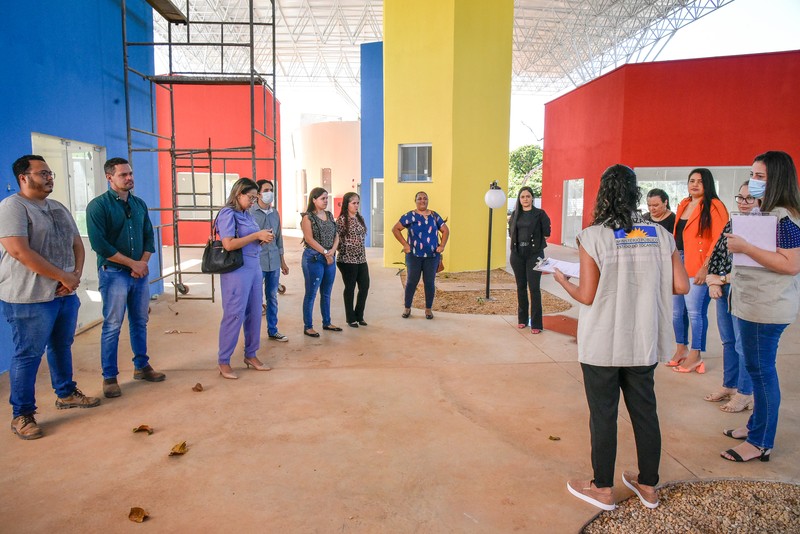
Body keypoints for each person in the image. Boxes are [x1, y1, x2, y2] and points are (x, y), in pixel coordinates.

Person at [554, 164, 689, 511]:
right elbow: (681, 285)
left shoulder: (593, 235)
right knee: (645, 411)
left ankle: (602, 488)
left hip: (602, 343)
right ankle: (648, 484)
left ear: (603, 194)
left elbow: (586, 295)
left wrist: (561, 281)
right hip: (642, 341)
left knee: (603, 414)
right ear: (635, 194)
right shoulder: (660, 235)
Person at [1, 155, 101, 440]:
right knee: (28, 355)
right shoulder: (13, 207)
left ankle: (66, 393)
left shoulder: (57, 207)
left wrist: (75, 275)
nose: (49, 177)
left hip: (64, 293)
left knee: (61, 345)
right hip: (29, 298)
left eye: (50, 172)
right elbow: (19, 252)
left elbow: (77, 243)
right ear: (23, 177)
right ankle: (22, 414)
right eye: (42, 173)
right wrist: (62, 276)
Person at [720, 151, 800, 463]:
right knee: (755, 370)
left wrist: (745, 247)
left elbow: (791, 264)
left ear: (777, 179)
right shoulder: (766, 212)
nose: (753, 182)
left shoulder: (784, 217)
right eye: (753, 175)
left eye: (760, 177)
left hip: (766, 308)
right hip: (751, 303)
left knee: (762, 372)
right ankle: (755, 427)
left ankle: (760, 441)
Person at [86, 157, 164, 398]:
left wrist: (143, 263)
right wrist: (133, 264)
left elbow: (149, 237)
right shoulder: (98, 206)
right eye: (123, 175)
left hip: (138, 274)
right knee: (112, 325)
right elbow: (100, 244)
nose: (129, 178)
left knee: (140, 321)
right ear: (109, 177)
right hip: (114, 274)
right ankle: (109, 377)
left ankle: (141, 366)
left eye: (130, 173)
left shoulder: (139, 204)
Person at [669, 168, 729, 373]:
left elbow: (719, 239)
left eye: (699, 182)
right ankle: (681, 349)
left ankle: (695, 355)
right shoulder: (684, 204)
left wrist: (706, 267)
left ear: (708, 184)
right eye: (691, 180)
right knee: (677, 312)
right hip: (679, 262)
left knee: (695, 312)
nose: (694, 184)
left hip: (699, 264)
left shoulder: (715, 206)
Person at [703, 182, 756, 413]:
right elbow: (718, 253)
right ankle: (730, 385)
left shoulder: (761, 226)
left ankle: (745, 393)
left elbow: (751, 267)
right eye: (740, 197)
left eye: (749, 198)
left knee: (743, 344)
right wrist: (712, 279)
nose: (743, 202)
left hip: (742, 291)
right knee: (728, 342)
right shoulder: (734, 221)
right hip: (723, 288)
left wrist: (719, 280)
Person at [216, 178, 274, 379]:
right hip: (237, 271)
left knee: (255, 312)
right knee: (234, 314)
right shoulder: (227, 214)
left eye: (254, 198)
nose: (252, 201)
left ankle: (251, 354)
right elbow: (229, 244)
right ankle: (224, 360)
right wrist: (256, 235)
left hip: (254, 267)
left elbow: (251, 240)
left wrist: (262, 239)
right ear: (238, 194)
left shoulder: (247, 215)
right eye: (250, 197)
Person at [391, 191, 449, 319]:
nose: (422, 201)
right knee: (411, 282)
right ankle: (407, 308)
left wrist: (442, 246)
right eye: (419, 198)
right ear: (415, 201)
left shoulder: (434, 216)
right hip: (414, 256)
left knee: (429, 282)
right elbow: (395, 229)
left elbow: (445, 230)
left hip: (432, 256)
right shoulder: (410, 216)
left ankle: (428, 309)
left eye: (425, 198)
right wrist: (405, 245)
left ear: (428, 200)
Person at [508, 186, 551, 334]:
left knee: (534, 288)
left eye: (528, 196)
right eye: (522, 197)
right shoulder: (515, 214)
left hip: (534, 255)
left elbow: (547, 233)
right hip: (517, 254)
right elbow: (511, 232)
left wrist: (536, 245)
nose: (525, 199)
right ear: (519, 199)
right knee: (521, 287)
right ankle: (522, 320)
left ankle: (537, 324)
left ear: (532, 198)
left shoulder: (540, 214)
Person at [252, 179, 289, 342]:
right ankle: (252, 335)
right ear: (258, 193)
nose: (269, 193)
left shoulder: (275, 213)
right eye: (266, 190)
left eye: (271, 190)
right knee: (255, 299)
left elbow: (279, 239)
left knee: (272, 296)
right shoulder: (250, 213)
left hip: (273, 262)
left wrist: (282, 261)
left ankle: (273, 330)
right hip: (256, 262)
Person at [300, 187, 341, 337]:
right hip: (314, 259)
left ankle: (327, 322)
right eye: (322, 198)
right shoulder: (308, 217)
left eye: (326, 198)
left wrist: (332, 251)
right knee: (311, 293)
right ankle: (308, 326)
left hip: (330, 258)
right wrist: (325, 252)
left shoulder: (329, 215)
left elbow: (336, 235)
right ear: (314, 200)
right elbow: (309, 239)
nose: (326, 201)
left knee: (327, 292)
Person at [336, 192, 370, 328]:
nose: (356, 205)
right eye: (353, 203)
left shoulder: (359, 218)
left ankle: (359, 315)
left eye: (357, 203)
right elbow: (336, 240)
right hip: (347, 260)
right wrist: (346, 249)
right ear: (347, 204)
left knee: (365, 286)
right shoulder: (341, 220)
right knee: (350, 288)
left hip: (361, 258)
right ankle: (350, 318)